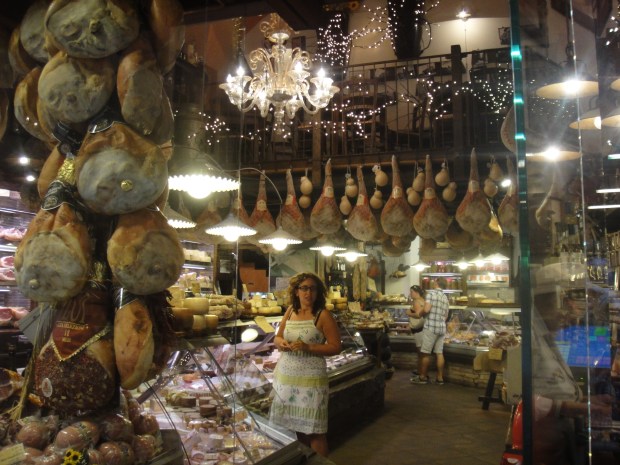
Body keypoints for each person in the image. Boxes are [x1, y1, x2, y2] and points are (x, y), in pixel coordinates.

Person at [269, 272, 342, 457]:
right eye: (304, 288)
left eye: (312, 288)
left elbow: (336, 346)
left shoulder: (323, 315)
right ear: (296, 291)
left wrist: (308, 347)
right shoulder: (290, 311)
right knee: (297, 428)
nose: (308, 293)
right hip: (286, 379)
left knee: (314, 431)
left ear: (318, 292)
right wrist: (281, 343)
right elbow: (277, 337)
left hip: (311, 381)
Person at [410, 277, 450, 385]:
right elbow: (446, 316)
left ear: (436, 283)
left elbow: (426, 309)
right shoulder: (445, 297)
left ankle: (423, 377)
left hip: (431, 327)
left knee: (425, 353)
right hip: (441, 328)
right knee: (439, 353)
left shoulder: (431, 294)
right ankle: (440, 378)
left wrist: (420, 314)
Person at [406, 285, 426, 376]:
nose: (410, 294)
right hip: (423, 328)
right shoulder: (423, 300)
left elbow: (418, 315)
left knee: (420, 352)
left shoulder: (416, 301)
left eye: (411, 292)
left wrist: (408, 313)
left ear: (416, 292)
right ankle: (420, 371)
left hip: (418, 330)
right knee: (422, 352)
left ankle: (421, 373)